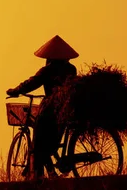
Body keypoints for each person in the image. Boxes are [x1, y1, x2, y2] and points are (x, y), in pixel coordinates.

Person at [6, 35, 78, 179]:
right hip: (65, 109)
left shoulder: (48, 70)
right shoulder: (72, 69)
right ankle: (49, 172)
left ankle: (44, 173)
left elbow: (32, 83)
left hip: (50, 109)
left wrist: (16, 91)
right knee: (48, 143)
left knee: (40, 142)